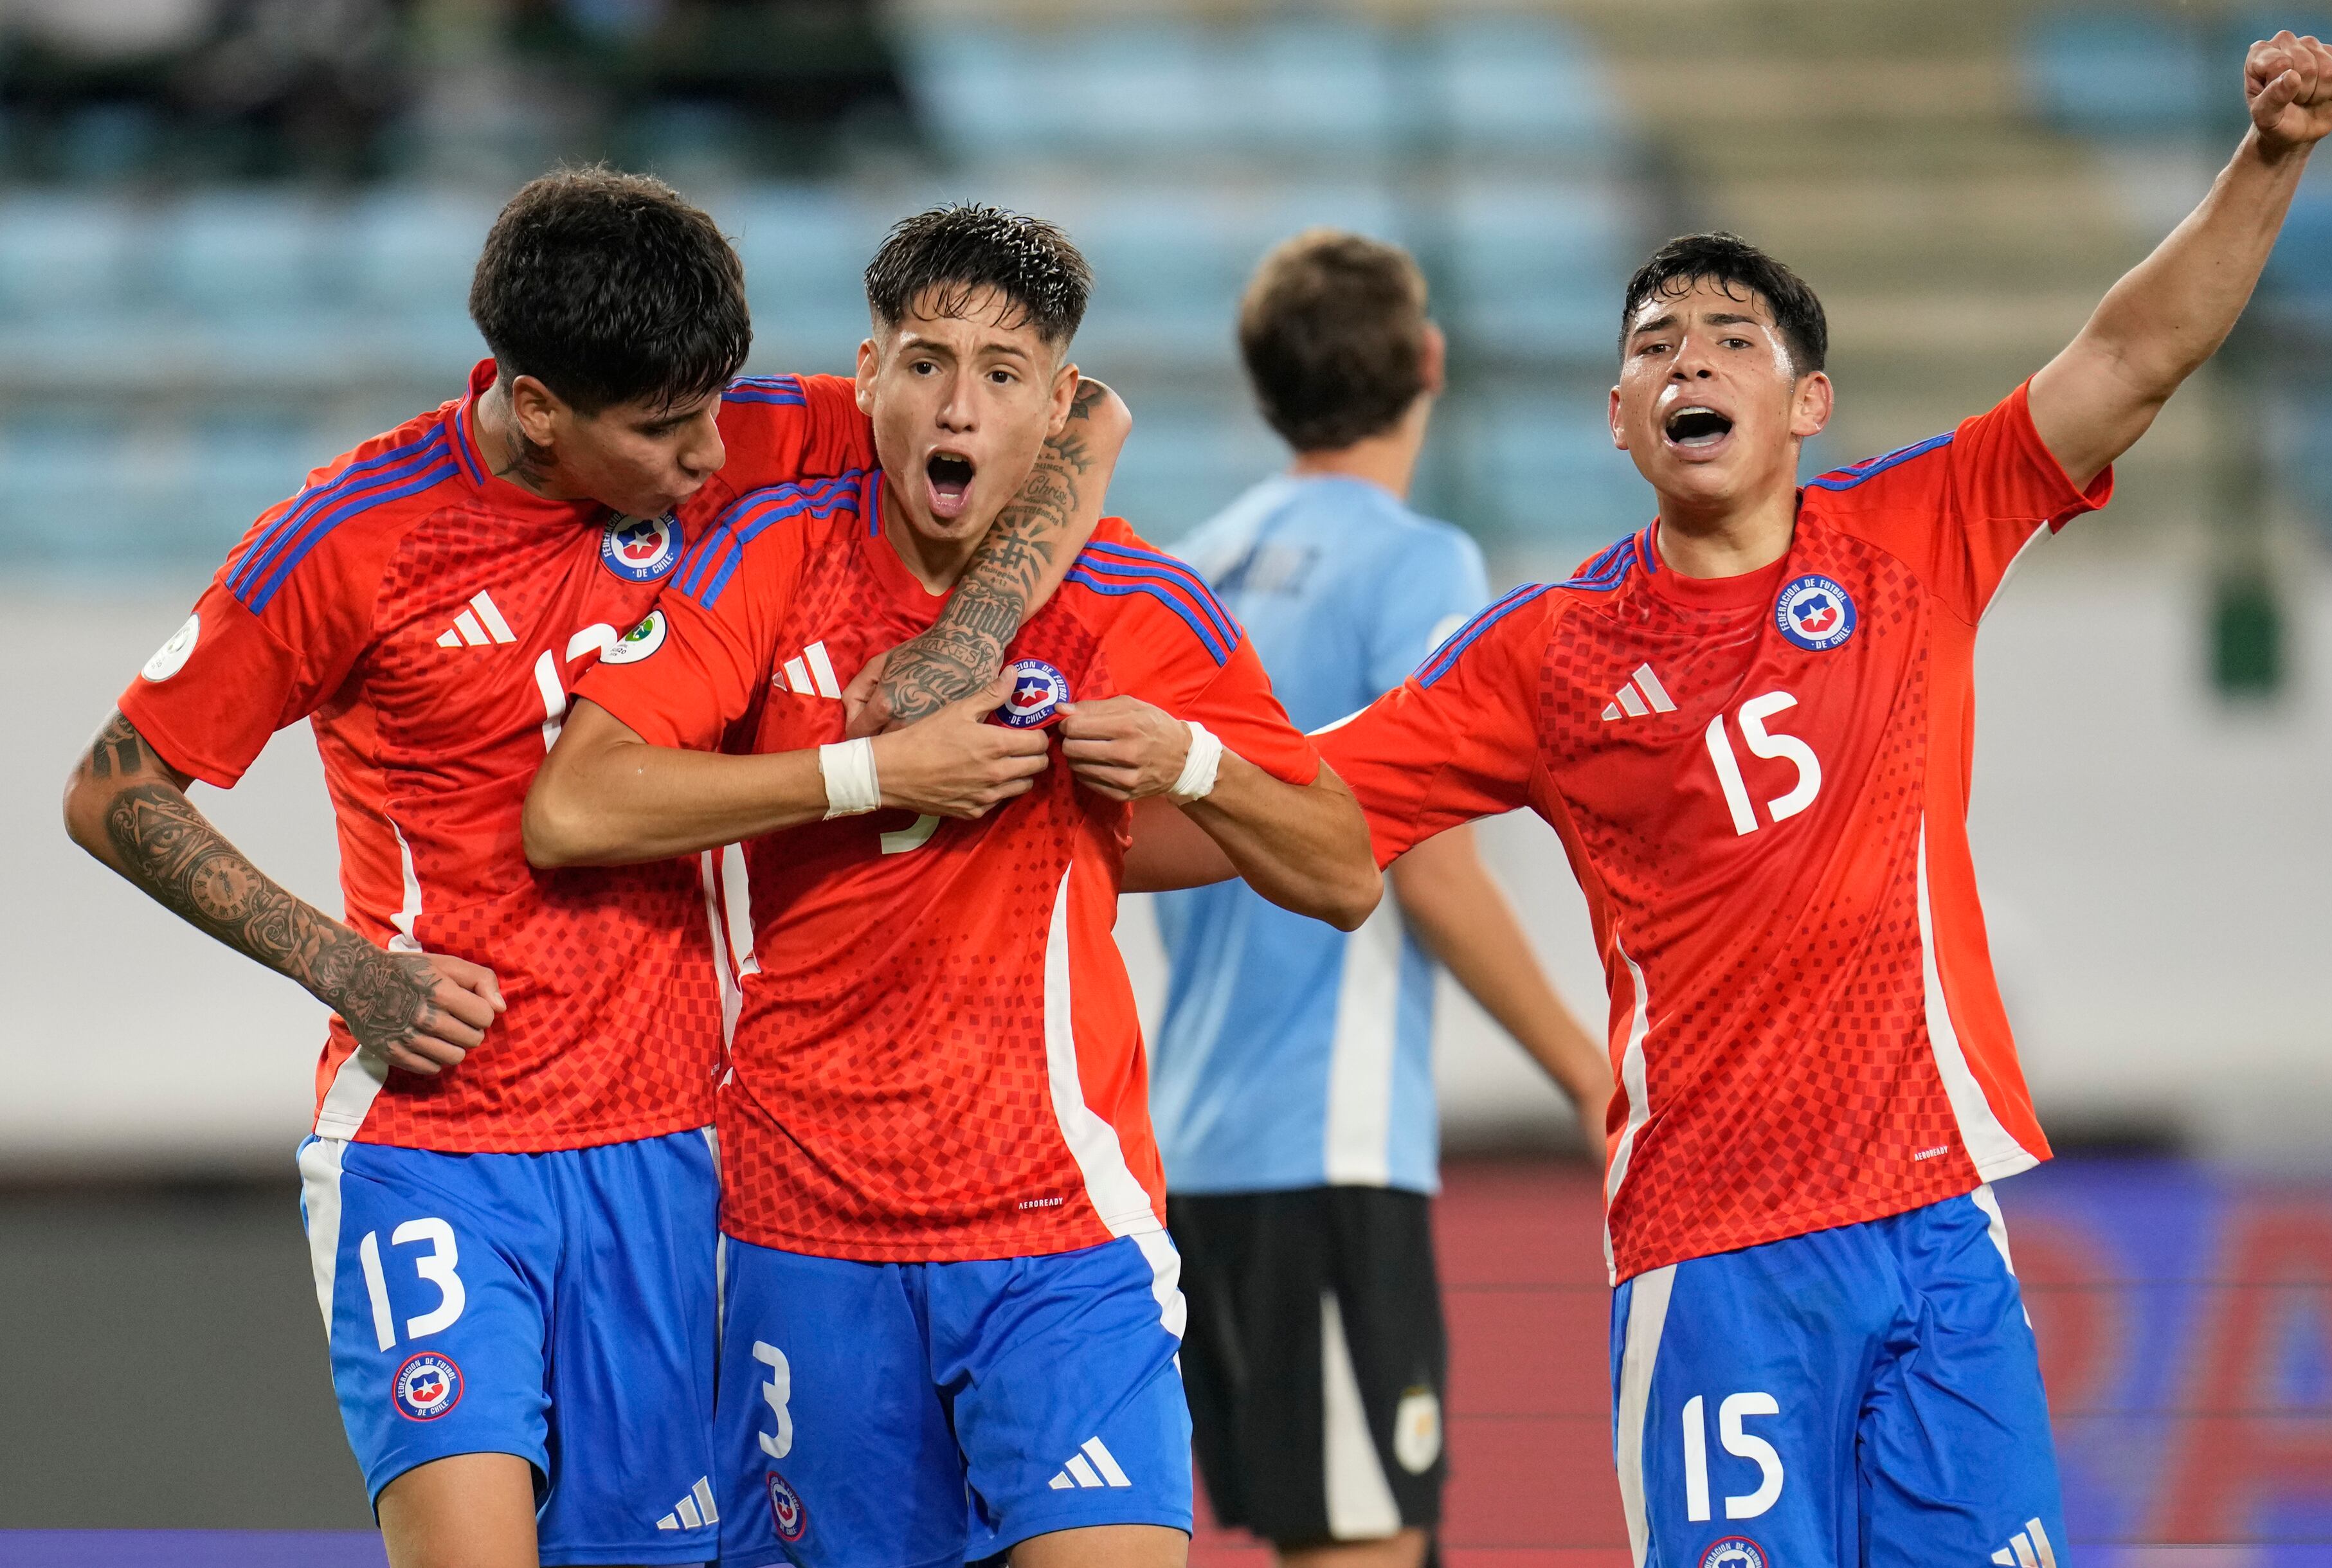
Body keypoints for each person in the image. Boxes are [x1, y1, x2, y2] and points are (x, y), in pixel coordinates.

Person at [1141, 31, 2332, 1568]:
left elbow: (2129, 357)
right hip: (1714, 1253)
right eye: (1655, 344)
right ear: (1617, 414)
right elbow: (1309, 802)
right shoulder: (1548, 652)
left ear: (1809, 400)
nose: (1690, 361)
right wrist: (1090, 821)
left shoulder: (1911, 537)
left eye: (1731, 338)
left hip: (1936, 1226)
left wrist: (2271, 158)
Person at [60, 168, 1125, 1568]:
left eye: (714, 412)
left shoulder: (736, 427)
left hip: (679, 1152)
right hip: (442, 1145)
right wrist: (345, 969)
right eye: (665, 432)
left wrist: (964, 638)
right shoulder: (351, 543)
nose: (707, 456)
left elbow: (1087, 419)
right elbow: (114, 788)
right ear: (539, 405)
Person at [523, 203, 1384, 1568]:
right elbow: (574, 805)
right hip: (805, 1226)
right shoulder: (771, 553)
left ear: (1057, 403)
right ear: (869, 374)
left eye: (1001, 372)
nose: (958, 406)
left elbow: (1342, 869)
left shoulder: (1136, 601)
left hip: (1058, 1228)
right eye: (925, 363)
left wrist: (1192, 759)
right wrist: (866, 773)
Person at [1139, 230, 1612, 1567]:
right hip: (1327, 1141)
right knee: (1361, 1545)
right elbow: (1434, 870)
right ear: (1430, 362)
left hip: (1192, 1145)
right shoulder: (1417, 562)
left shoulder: (1185, 566)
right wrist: (1594, 1078)